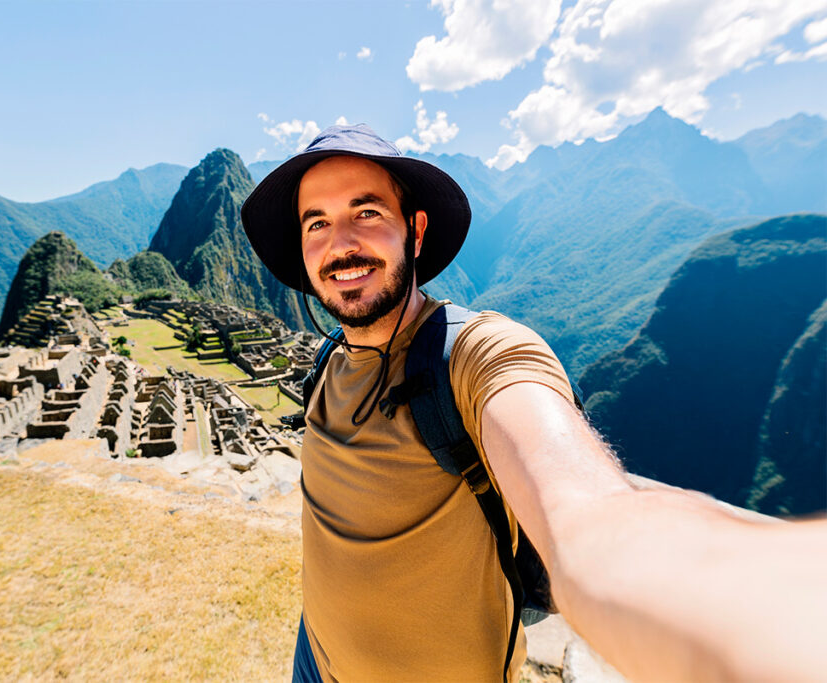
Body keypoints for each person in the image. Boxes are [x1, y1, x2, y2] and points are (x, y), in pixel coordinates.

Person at [241, 125, 826, 682]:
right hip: (315, 658)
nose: (339, 244)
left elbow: (586, 514)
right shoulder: (328, 362)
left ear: (415, 232)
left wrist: (763, 606)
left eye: (366, 212)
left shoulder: (477, 355)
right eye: (316, 223)